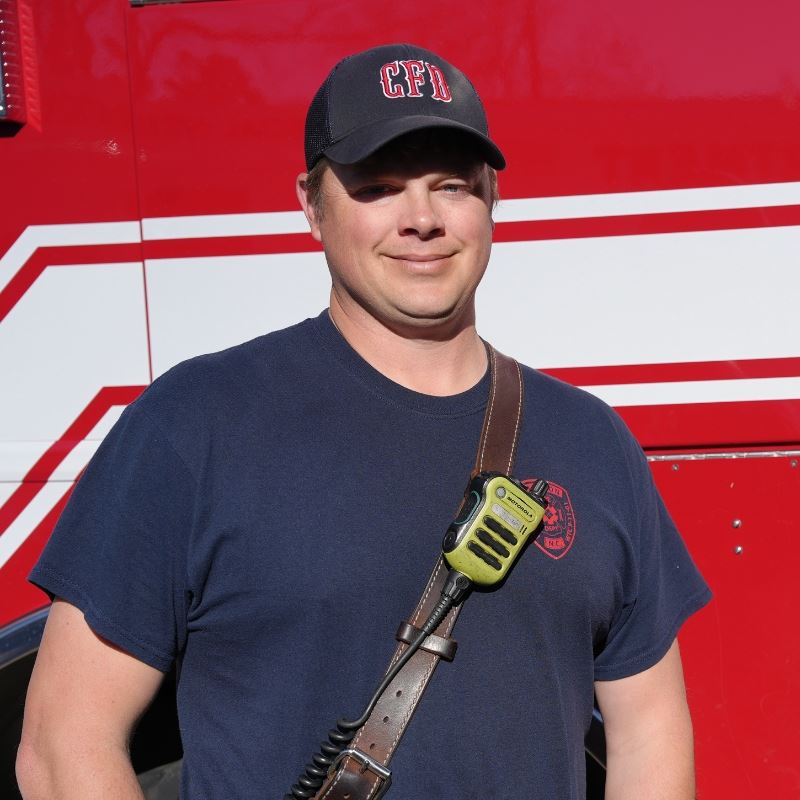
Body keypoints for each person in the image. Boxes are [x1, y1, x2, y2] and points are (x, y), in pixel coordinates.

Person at [16, 43, 710, 799]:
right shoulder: (194, 426)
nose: (422, 220)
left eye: (452, 185)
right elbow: (63, 747)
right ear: (311, 207)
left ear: (493, 198)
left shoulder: (593, 442)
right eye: (379, 187)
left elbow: (649, 735)